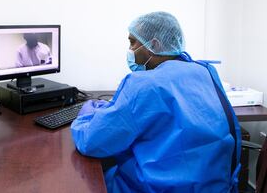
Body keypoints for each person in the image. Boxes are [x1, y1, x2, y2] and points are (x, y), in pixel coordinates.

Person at [71, 11, 241, 193]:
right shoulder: (205, 71)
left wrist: (86, 113)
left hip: (157, 187)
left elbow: (93, 142)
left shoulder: (143, 84)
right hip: (216, 186)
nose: (130, 49)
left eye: (132, 42)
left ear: (154, 44)